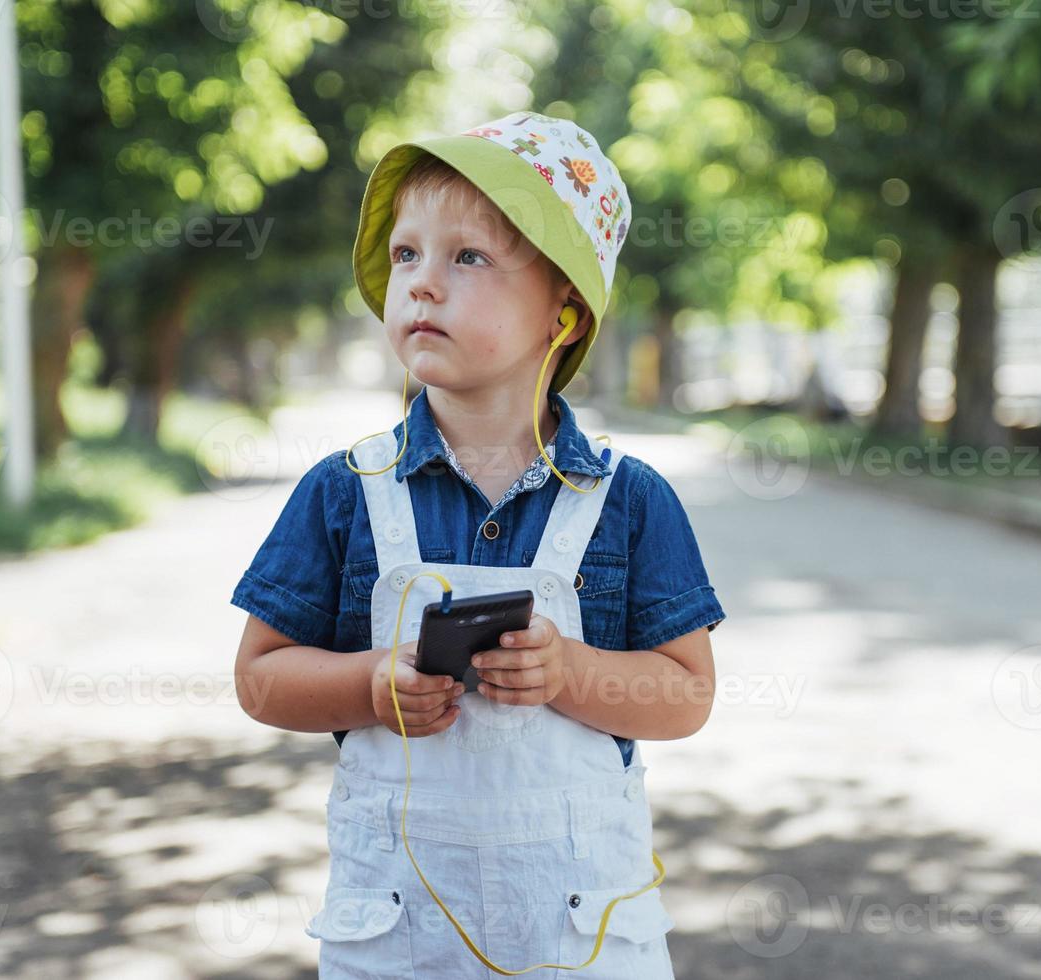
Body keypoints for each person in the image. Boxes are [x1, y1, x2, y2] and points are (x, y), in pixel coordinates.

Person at [230, 110, 726, 979]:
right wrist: (365, 686)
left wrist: (570, 671)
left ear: (563, 313)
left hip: (581, 945)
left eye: (468, 258)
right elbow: (261, 677)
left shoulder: (629, 502)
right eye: (405, 254)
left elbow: (685, 695)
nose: (422, 283)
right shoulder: (344, 491)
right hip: (395, 941)